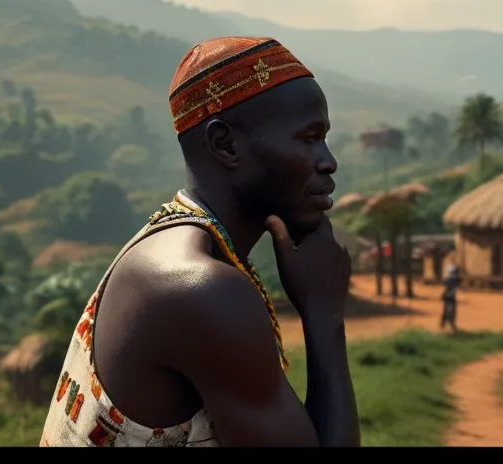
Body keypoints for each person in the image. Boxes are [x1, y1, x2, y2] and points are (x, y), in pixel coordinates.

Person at [39, 37, 360, 447]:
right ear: (225, 144)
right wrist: (323, 313)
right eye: (309, 138)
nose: (328, 161)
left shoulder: (170, 249)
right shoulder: (198, 289)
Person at [440, 263, 460, 332]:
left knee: (447, 310)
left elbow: (444, 283)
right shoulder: (453, 279)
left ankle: (444, 324)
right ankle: (450, 324)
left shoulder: (448, 278)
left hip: (447, 296)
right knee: (450, 311)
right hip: (449, 296)